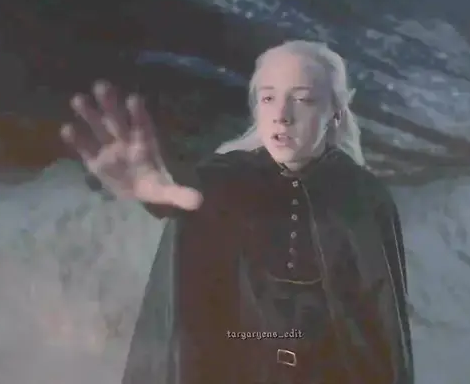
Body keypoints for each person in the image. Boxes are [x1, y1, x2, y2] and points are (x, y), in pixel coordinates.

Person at [60, 40, 414, 384]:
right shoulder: (226, 179)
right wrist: (158, 192)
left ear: (334, 113)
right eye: (268, 98)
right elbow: (192, 195)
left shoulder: (365, 198)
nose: (282, 116)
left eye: (303, 99)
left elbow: (382, 333)